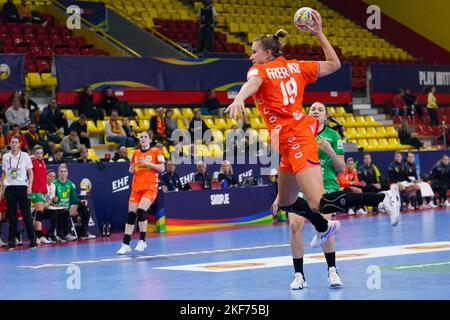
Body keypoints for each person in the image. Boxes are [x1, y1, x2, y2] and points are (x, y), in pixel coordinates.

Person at [225, 14, 344, 268]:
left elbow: (252, 83)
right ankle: (316, 242)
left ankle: (378, 199)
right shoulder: (297, 66)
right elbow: (335, 65)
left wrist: (238, 99)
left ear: (267, 53)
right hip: (289, 145)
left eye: (254, 51)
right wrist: (319, 34)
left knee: (317, 203)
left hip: (297, 141)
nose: (251, 56)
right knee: (289, 204)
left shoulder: (260, 70)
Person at [272, 102, 399, 289]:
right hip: (301, 184)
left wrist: (329, 150)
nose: (315, 111)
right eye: (312, 109)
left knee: (324, 220)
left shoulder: (332, 136)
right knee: (294, 225)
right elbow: (286, 166)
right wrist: (281, 197)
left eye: (320, 110)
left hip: (326, 183)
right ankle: (299, 275)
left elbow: (341, 167)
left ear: (325, 116)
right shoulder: (298, 134)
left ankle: (332, 270)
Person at [117, 131, 165, 254]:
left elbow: (162, 168)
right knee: (131, 215)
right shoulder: (136, 153)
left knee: (140, 210)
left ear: (150, 139)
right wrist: (131, 170)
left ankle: (142, 240)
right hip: (136, 188)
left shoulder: (156, 151)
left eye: (145, 137)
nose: (143, 139)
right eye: (141, 137)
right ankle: (125, 244)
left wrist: (148, 163)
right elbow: (132, 168)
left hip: (150, 187)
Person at [0, 136, 36, 250]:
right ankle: (11, 242)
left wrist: (30, 186)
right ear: (9, 144)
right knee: (12, 216)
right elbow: (4, 174)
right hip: (10, 189)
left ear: (19, 144)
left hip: (22, 188)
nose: (14, 144)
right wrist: (2, 189)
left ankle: (33, 240)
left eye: (16, 142)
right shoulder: (5, 156)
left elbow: (30, 173)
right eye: (12, 142)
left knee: (26, 214)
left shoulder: (25, 156)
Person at [53, 164, 96, 240]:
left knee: (85, 208)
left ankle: (84, 233)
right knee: (64, 211)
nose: (63, 173)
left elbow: (74, 198)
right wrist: (54, 201)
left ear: (67, 173)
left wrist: (80, 201)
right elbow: (51, 197)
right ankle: (66, 233)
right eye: (61, 171)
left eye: (65, 171)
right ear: (58, 173)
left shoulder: (70, 184)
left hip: (68, 207)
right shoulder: (54, 184)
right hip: (58, 208)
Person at [29, 145, 52, 244]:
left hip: (42, 190)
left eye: (41, 153)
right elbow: (23, 161)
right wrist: (30, 157)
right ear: (34, 153)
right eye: (37, 153)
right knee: (39, 213)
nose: (39, 155)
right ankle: (39, 236)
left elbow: (43, 178)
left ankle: (36, 236)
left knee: (38, 214)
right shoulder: (32, 161)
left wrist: (46, 191)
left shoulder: (43, 162)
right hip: (35, 190)